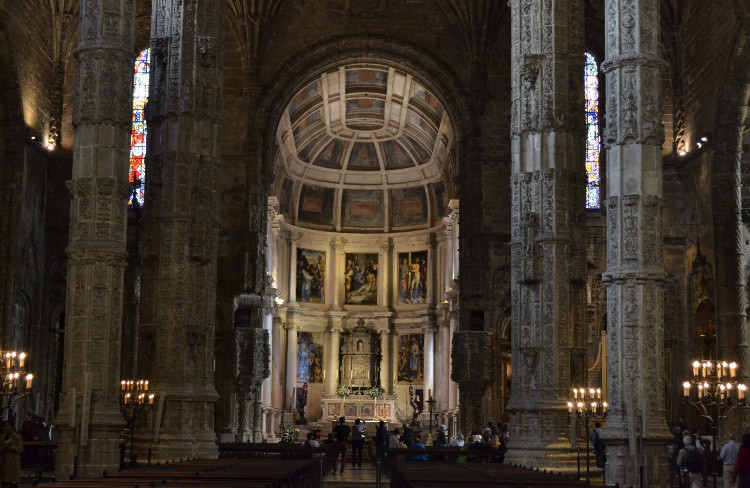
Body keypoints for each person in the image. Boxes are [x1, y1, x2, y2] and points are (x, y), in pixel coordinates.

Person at [0, 421, 22, 488]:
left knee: (13, 482)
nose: (6, 427)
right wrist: (2, 448)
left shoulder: (17, 437)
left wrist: (12, 447)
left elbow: (20, 449)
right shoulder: (2, 436)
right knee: (4, 482)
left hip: (13, 462)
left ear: (12, 427)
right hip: (4, 461)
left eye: (7, 425)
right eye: (5, 426)